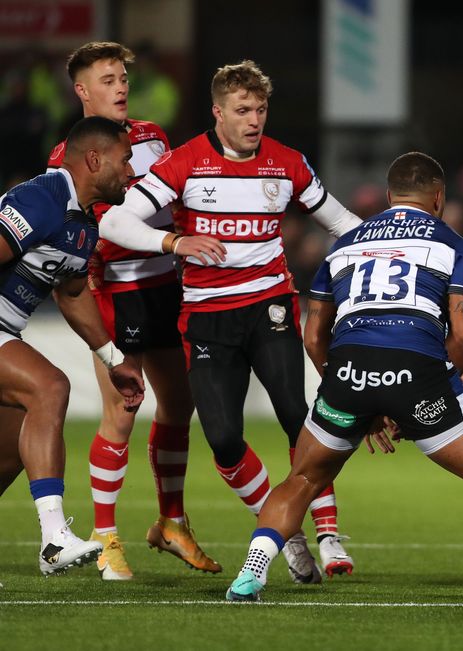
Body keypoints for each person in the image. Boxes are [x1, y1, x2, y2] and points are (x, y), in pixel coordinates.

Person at [224, 152, 463, 605]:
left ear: (390, 196)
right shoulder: (451, 242)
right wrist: (421, 393)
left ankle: (250, 575)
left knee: (302, 479)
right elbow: (462, 334)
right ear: (439, 198)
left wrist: (357, 389)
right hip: (419, 371)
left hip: (347, 373)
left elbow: (313, 335)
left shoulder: (345, 243)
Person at [100, 60, 362, 582]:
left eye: (260, 109)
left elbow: (343, 223)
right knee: (222, 440)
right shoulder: (184, 162)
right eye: (243, 110)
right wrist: (173, 241)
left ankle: (328, 534)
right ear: (218, 112)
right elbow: (114, 220)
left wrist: (398, 243)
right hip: (206, 317)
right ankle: (285, 532)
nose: (254, 120)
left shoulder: (286, 163)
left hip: (270, 307)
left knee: (297, 414)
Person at [47, 41, 218, 581]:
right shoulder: (67, 157)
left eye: (123, 77)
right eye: (108, 79)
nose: (120, 86)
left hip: (165, 284)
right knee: (123, 409)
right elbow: (80, 229)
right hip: (113, 290)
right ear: (82, 91)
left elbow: (176, 199)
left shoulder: (152, 136)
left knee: (179, 404)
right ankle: (106, 540)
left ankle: (172, 522)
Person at [0, 116, 145, 574]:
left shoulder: (84, 223)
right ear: (94, 159)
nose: (131, 170)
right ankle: (54, 541)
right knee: (50, 387)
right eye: (125, 159)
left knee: (11, 450)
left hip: (6, 332)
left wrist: (113, 359)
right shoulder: (40, 199)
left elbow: (73, 293)